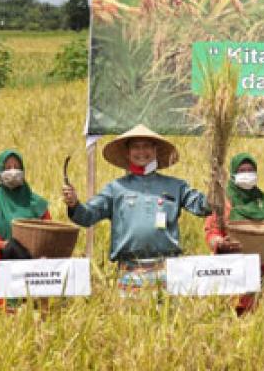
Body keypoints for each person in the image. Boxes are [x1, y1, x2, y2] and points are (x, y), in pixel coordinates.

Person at [62, 124, 210, 295]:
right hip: (129, 271)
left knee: (167, 319)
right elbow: (87, 216)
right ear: (128, 153)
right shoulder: (116, 188)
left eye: (147, 146)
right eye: (136, 147)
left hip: (168, 270)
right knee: (131, 318)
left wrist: (216, 186)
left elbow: (203, 207)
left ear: (156, 150)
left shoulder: (176, 186)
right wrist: (74, 203)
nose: (141, 152)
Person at [204, 152, 264, 315]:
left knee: (263, 318)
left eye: (250, 170)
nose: (247, 174)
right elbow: (212, 232)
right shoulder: (223, 201)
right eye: (242, 171)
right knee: (232, 317)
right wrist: (219, 242)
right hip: (232, 273)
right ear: (233, 174)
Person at [0, 150, 51, 302]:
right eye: (8, 168)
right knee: (6, 316)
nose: (13, 172)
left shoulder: (37, 204)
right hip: (3, 271)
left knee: (38, 316)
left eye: (16, 167)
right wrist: (2, 246)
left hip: (35, 271)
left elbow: (50, 233)